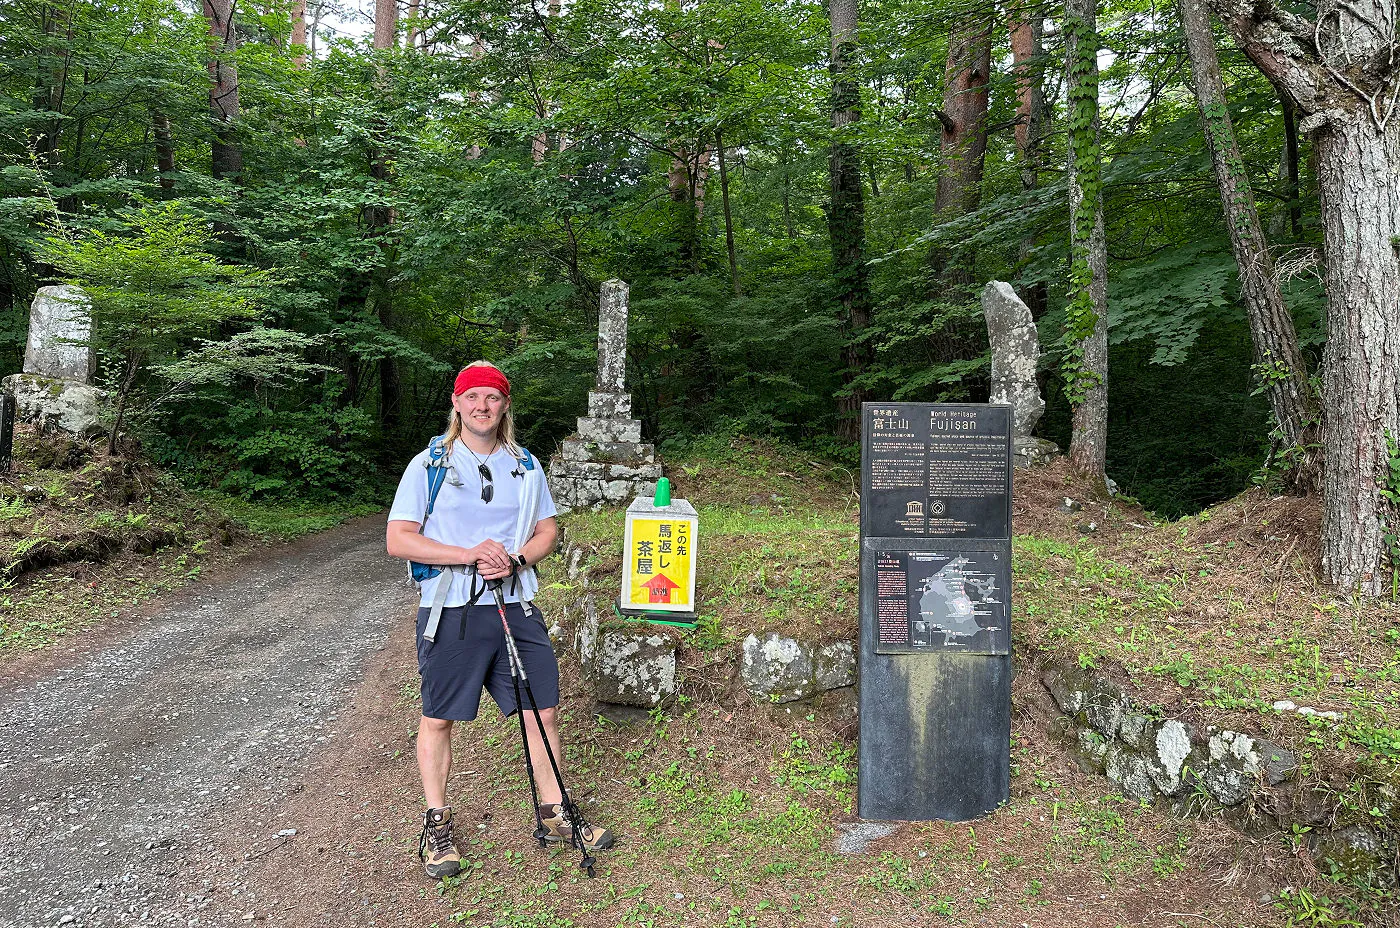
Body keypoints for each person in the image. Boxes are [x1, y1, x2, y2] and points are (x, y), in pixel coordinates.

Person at [386, 361, 613, 880]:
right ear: (457, 404)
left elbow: (546, 530)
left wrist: (516, 561)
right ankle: (436, 824)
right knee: (440, 716)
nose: (482, 406)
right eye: (473, 397)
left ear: (504, 405)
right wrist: (470, 554)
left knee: (543, 711)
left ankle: (555, 814)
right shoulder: (430, 465)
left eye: (492, 397)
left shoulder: (525, 465)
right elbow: (398, 538)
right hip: (453, 610)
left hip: (515, 603)